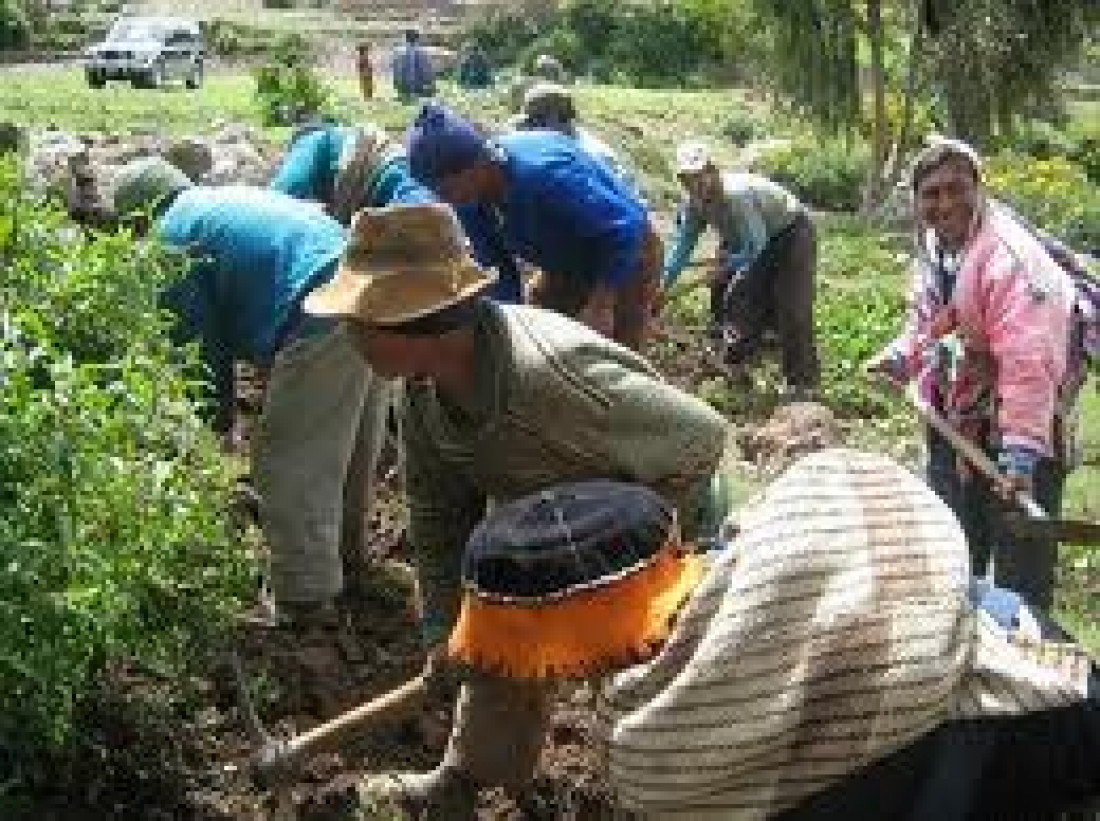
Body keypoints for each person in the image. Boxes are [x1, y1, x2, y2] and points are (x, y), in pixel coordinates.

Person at [326, 453, 1098, 820]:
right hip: (1041, 654)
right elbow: (874, 489)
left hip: (995, 756)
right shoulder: (773, 536)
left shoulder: (657, 749)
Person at [301, 200, 733, 818]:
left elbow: (701, 441)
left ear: (420, 321)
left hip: (667, 524)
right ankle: (470, 778)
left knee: (652, 693)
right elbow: (437, 519)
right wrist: (446, 632)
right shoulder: (422, 397)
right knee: (496, 640)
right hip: (549, 527)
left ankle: (675, 799)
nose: (347, 335)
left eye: (360, 320)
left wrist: (618, 553)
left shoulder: (549, 380)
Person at [110, 157, 382, 629]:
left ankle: (304, 597)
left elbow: (198, 349)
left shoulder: (171, 236)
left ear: (138, 217)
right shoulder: (217, 204)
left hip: (321, 306)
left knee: (286, 460)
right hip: (375, 291)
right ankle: (348, 559)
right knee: (347, 444)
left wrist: (214, 433)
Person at [866, 137, 1078, 611]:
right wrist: (903, 356)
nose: (944, 204)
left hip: (1023, 429)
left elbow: (1030, 360)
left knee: (1020, 575)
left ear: (979, 189)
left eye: (955, 189)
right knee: (952, 555)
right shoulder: (935, 249)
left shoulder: (1010, 259)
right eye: (931, 194)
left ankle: (1028, 671)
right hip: (955, 421)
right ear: (917, 202)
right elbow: (932, 321)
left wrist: (1021, 456)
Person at [406, 101, 661, 351]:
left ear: (475, 166)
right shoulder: (469, 201)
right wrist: (504, 334)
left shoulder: (543, 177)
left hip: (627, 251)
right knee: (540, 328)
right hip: (567, 256)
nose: (442, 199)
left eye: (444, 188)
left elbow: (624, 228)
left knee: (616, 348)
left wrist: (601, 305)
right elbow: (496, 270)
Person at [269, 121, 524, 303]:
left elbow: (276, 206)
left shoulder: (310, 144)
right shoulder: (352, 146)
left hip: (392, 193)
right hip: (406, 189)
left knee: (421, 258)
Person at [662, 139, 821, 394]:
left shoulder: (736, 196)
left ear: (712, 172)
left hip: (791, 232)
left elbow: (756, 247)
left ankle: (803, 384)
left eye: (700, 176)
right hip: (749, 238)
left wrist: (726, 266)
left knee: (792, 305)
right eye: (688, 180)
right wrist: (661, 289)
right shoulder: (695, 205)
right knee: (736, 298)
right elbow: (681, 250)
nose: (696, 185)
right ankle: (738, 365)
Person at [512, 81, 642, 199]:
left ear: (559, 117)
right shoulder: (556, 147)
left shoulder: (591, 156)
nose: (531, 129)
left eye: (536, 120)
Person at [391, 27, 434, 101]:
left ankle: (406, 92)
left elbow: (395, 72)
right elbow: (428, 72)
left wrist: (397, 85)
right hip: (419, 87)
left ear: (406, 38)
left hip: (403, 87)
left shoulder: (398, 52)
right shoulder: (423, 53)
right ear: (417, 39)